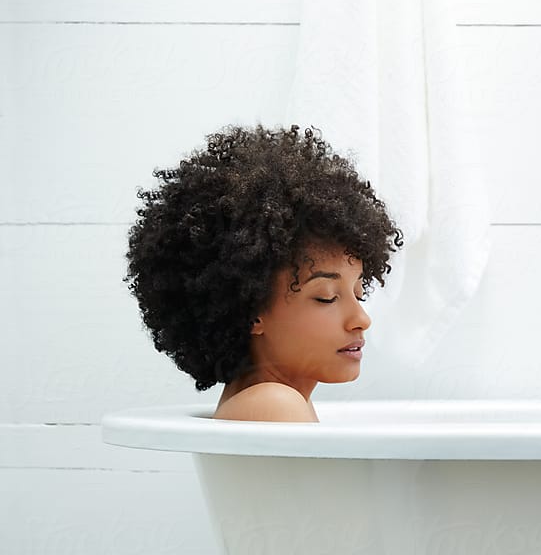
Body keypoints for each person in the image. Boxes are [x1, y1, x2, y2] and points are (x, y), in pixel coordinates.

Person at [123, 124, 403, 421]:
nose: (361, 319)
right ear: (252, 312)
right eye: (327, 297)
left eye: (359, 292)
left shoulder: (272, 399)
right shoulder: (275, 404)